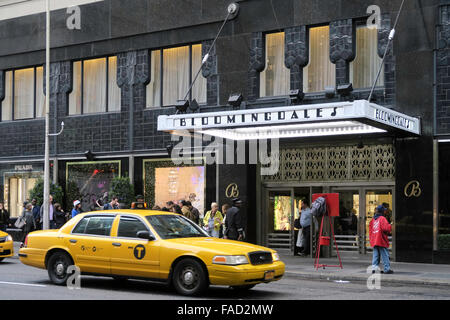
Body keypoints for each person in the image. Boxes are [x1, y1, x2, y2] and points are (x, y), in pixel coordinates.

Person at [370, 205, 393, 274]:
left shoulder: (373, 219)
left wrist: (372, 238)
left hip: (374, 239)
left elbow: (370, 229)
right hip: (381, 239)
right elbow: (385, 228)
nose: (385, 211)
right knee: (385, 254)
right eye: (384, 210)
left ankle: (374, 269)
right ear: (382, 211)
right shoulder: (382, 218)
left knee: (376, 254)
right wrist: (390, 225)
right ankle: (387, 269)